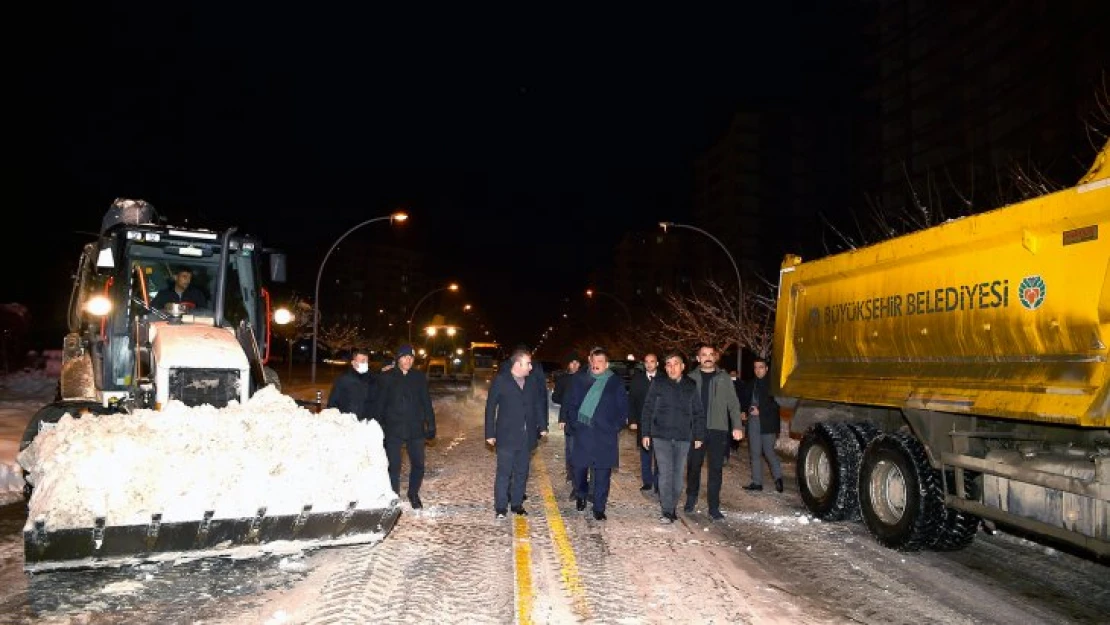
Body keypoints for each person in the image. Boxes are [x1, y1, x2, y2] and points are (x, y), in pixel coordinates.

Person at [563, 347, 629, 521]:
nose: (597, 364)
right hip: (583, 432)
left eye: (601, 361)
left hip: (605, 435)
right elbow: (570, 404)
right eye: (594, 361)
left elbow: (623, 409)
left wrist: (615, 426)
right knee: (579, 468)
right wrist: (576, 424)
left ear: (606, 364)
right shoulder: (579, 379)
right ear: (590, 361)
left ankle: (599, 507)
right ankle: (581, 494)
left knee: (602, 472)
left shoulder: (615, 382)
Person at [641, 352, 705, 523]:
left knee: (677, 477)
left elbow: (698, 412)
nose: (671, 367)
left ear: (683, 366)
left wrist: (698, 435)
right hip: (661, 436)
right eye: (668, 364)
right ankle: (667, 511)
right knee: (665, 473)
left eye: (675, 364)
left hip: (683, 437)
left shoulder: (691, 385)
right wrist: (645, 432)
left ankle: (672, 506)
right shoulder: (658, 383)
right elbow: (647, 408)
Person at [485, 348, 548, 518]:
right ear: (518, 364)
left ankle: (516, 504)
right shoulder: (501, 380)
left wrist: (542, 426)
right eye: (528, 363)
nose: (530, 367)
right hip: (506, 436)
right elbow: (490, 407)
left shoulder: (532, 382)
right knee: (504, 473)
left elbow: (537, 405)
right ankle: (500, 508)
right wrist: (489, 433)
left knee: (522, 472)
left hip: (527, 438)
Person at [372, 344, 437, 509]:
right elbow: (380, 403)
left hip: (415, 428)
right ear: (398, 359)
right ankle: (393, 495)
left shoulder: (419, 377)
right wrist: (378, 426)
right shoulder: (387, 377)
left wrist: (431, 424)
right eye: (404, 357)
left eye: (411, 357)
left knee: (418, 464)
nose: (408, 360)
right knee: (394, 465)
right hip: (393, 428)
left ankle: (413, 494)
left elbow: (426, 402)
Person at [685, 344, 743, 520]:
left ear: (715, 357)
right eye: (704, 355)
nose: (708, 357)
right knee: (694, 466)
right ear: (698, 358)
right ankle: (691, 499)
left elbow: (733, 404)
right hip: (696, 430)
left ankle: (714, 507)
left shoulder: (724, 378)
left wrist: (738, 426)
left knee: (716, 469)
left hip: (718, 429)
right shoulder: (690, 378)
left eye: (711, 354)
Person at [739, 356, 784, 493]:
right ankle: (757, 482)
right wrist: (743, 411)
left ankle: (778, 479)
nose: (758, 370)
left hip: (767, 422)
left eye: (761, 367)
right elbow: (745, 399)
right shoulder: (751, 384)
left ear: (766, 368)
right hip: (753, 422)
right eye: (755, 367)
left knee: (769, 452)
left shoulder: (773, 385)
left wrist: (761, 410)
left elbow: (778, 403)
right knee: (754, 453)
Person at [628, 352, 660, 492]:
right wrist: (633, 420)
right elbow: (632, 400)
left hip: (661, 423)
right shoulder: (638, 379)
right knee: (645, 453)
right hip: (643, 422)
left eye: (652, 361)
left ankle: (659, 482)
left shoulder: (664, 379)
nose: (649, 364)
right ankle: (647, 481)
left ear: (657, 363)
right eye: (646, 361)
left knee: (660, 455)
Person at [552, 351, 583, 483]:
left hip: (582, 416)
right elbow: (556, 397)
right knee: (570, 447)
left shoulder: (584, 378)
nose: (575, 365)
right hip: (568, 416)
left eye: (577, 362)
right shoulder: (563, 379)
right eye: (572, 362)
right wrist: (566, 402)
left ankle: (579, 472)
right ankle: (570, 472)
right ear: (568, 364)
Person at [326, 347, 378, 421]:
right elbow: (333, 402)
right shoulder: (344, 379)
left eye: (367, 361)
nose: (365, 364)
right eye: (362, 361)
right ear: (353, 362)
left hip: (366, 422)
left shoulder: (372, 379)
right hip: (348, 422)